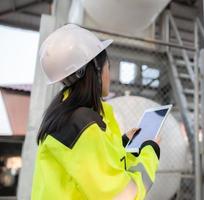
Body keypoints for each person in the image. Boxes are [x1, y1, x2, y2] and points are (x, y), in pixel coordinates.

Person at [31, 24, 160, 200]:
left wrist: (122, 144)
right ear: (95, 70)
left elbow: (92, 169)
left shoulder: (66, 116)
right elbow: (123, 195)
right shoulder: (82, 126)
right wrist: (150, 151)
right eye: (108, 65)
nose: (110, 72)